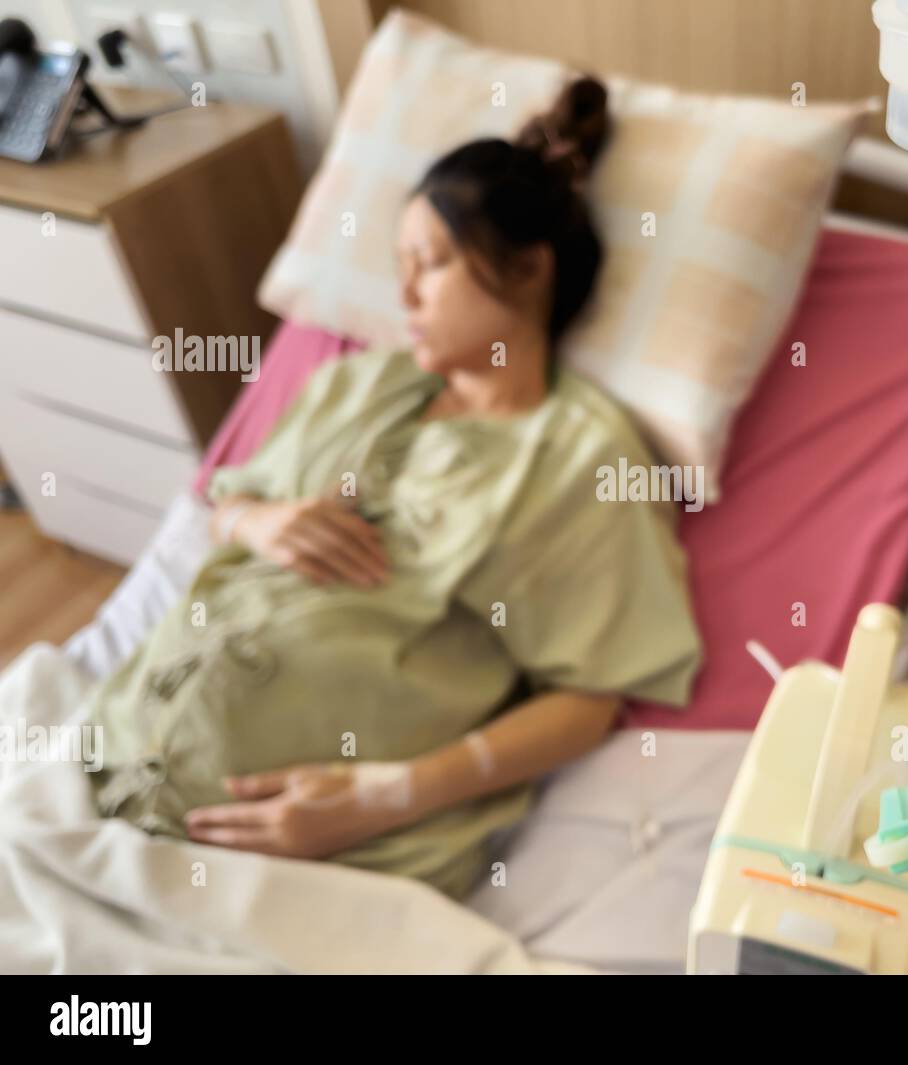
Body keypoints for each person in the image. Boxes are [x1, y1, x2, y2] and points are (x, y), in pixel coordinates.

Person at [86, 77, 702, 901]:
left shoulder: (579, 455)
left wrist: (387, 795)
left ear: (527, 269)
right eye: (399, 265)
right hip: (113, 745)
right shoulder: (357, 384)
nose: (404, 293)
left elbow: (590, 695)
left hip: (300, 852)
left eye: (432, 263)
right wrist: (258, 517)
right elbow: (223, 507)